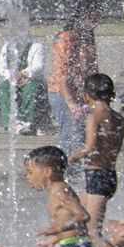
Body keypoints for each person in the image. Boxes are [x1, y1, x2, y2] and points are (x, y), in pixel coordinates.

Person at [67, 74, 124, 247]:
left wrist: (69, 158)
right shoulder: (119, 118)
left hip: (97, 178)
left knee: (93, 233)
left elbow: (90, 147)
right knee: (76, 221)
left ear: (86, 95)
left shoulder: (94, 117)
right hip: (107, 176)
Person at [48, 21, 89, 168]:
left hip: (75, 95)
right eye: (93, 17)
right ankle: (65, 169)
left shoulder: (80, 37)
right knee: (69, 134)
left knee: (78, 134)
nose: (96, 22)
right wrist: (71, 102)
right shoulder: (67, 39)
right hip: (63, 95)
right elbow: (62, 74)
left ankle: (74, 170)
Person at [0, 36, 45, 135]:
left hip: (31, 79)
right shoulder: (6, 47)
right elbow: (1, 68)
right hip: (13, 79)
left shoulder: (36, 46)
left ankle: (28, 122)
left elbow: (38, 66)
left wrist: (23, 73)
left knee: (32, 89)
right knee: (4, 87)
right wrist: (13, 77)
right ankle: (14, 122)